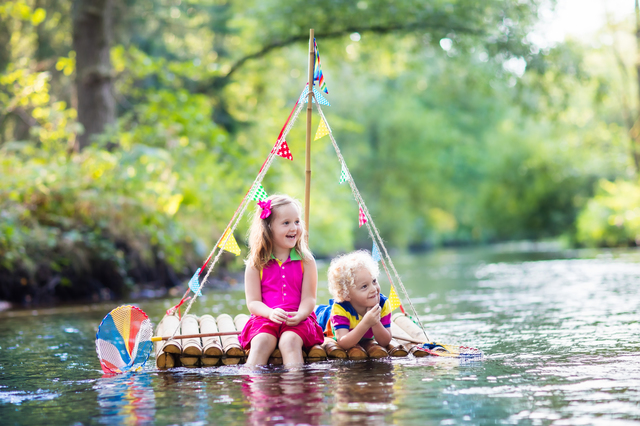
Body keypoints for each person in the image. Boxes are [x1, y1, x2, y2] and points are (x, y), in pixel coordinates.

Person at [239, 194, 324, 366]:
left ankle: (294, 389)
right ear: (268, 228)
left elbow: (309, 298)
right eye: (286, 223)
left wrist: (300, 314)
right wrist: (270, 313)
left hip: (298, 319)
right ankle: (256, 389)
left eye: (297, 222)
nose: (294, 228)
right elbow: (253, 302)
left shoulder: (306, 261)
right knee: (261, 342)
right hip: (265, 318)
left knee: (290, 342)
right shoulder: (256, 263)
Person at [315, 250, 392, 349]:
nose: (373, 289)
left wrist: (375, 322)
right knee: (316, 315)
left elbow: (385, 342)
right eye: (364, 286)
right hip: (325, 319)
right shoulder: (340, 309)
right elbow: (343, 342)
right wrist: (366, 323)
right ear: (346, 295)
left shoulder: (382, 304)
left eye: (374, 281)